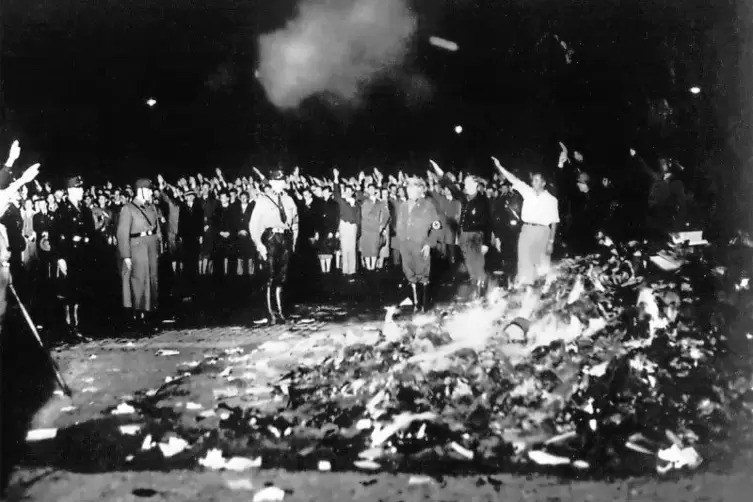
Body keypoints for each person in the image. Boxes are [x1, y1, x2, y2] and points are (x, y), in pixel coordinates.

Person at [492, 157, 560, 287]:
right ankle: (525, 291)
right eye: (533, 180)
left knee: (541, 264)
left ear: (543, 182)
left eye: (536, 180)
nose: (533, 182)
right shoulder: (527, 191)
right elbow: (513, 179)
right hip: (527, 230)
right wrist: (499, 166)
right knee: (524, 262)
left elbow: (554, 222)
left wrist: (551, 242)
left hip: (543, 232)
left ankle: (540, 291)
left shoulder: (551, 200)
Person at [249, 169, 299, 324]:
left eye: (281, 181)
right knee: (269, 276)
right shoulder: (263, 200)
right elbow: (254, 224)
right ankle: (270, 313)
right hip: (270, 239)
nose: (279, 183)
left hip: (285, 239)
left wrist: (294, 243)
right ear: (271, 183)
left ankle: (281, 311)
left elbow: (295, 222)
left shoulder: (289, 200)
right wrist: (259, 245)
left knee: (282, 277)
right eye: (276, 181)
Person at [116, 178, 161, 333]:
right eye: (148, 190)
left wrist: (158, 247)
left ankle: (149, 314)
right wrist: (126, 255)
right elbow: (122, 233)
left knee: (152, 280)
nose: (151, 193)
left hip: (151, 247)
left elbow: (157, 229)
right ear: (140, 191)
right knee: (139, 281)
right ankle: (138, 316)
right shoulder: (128, 208)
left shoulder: (152, 207)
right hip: (137, 247)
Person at [54, 175, 96, 337]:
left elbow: (90, 233)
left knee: (81, 289)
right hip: (68, 255)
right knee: (69, 291)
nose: (82, 191)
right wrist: (60, 258)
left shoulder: (85, 210)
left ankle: (79, 325)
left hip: (83, 255)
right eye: (78, 188)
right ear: (70, 190)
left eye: (82, 188)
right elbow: (55, 236)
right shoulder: (62, 211)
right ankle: (69, 326)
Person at [395, 177, 442, 312]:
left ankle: (424, 306)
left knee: (423, 275)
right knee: (410, 274)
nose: (409, 190)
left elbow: (436, 227)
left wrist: (429, 244)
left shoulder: (428, 206)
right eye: (408, 187)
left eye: (412, 187)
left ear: (420, 189)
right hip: (406, 245)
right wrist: (401, 242)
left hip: (421, 245)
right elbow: (399, 224)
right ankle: (416, 304)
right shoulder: (403, 206)